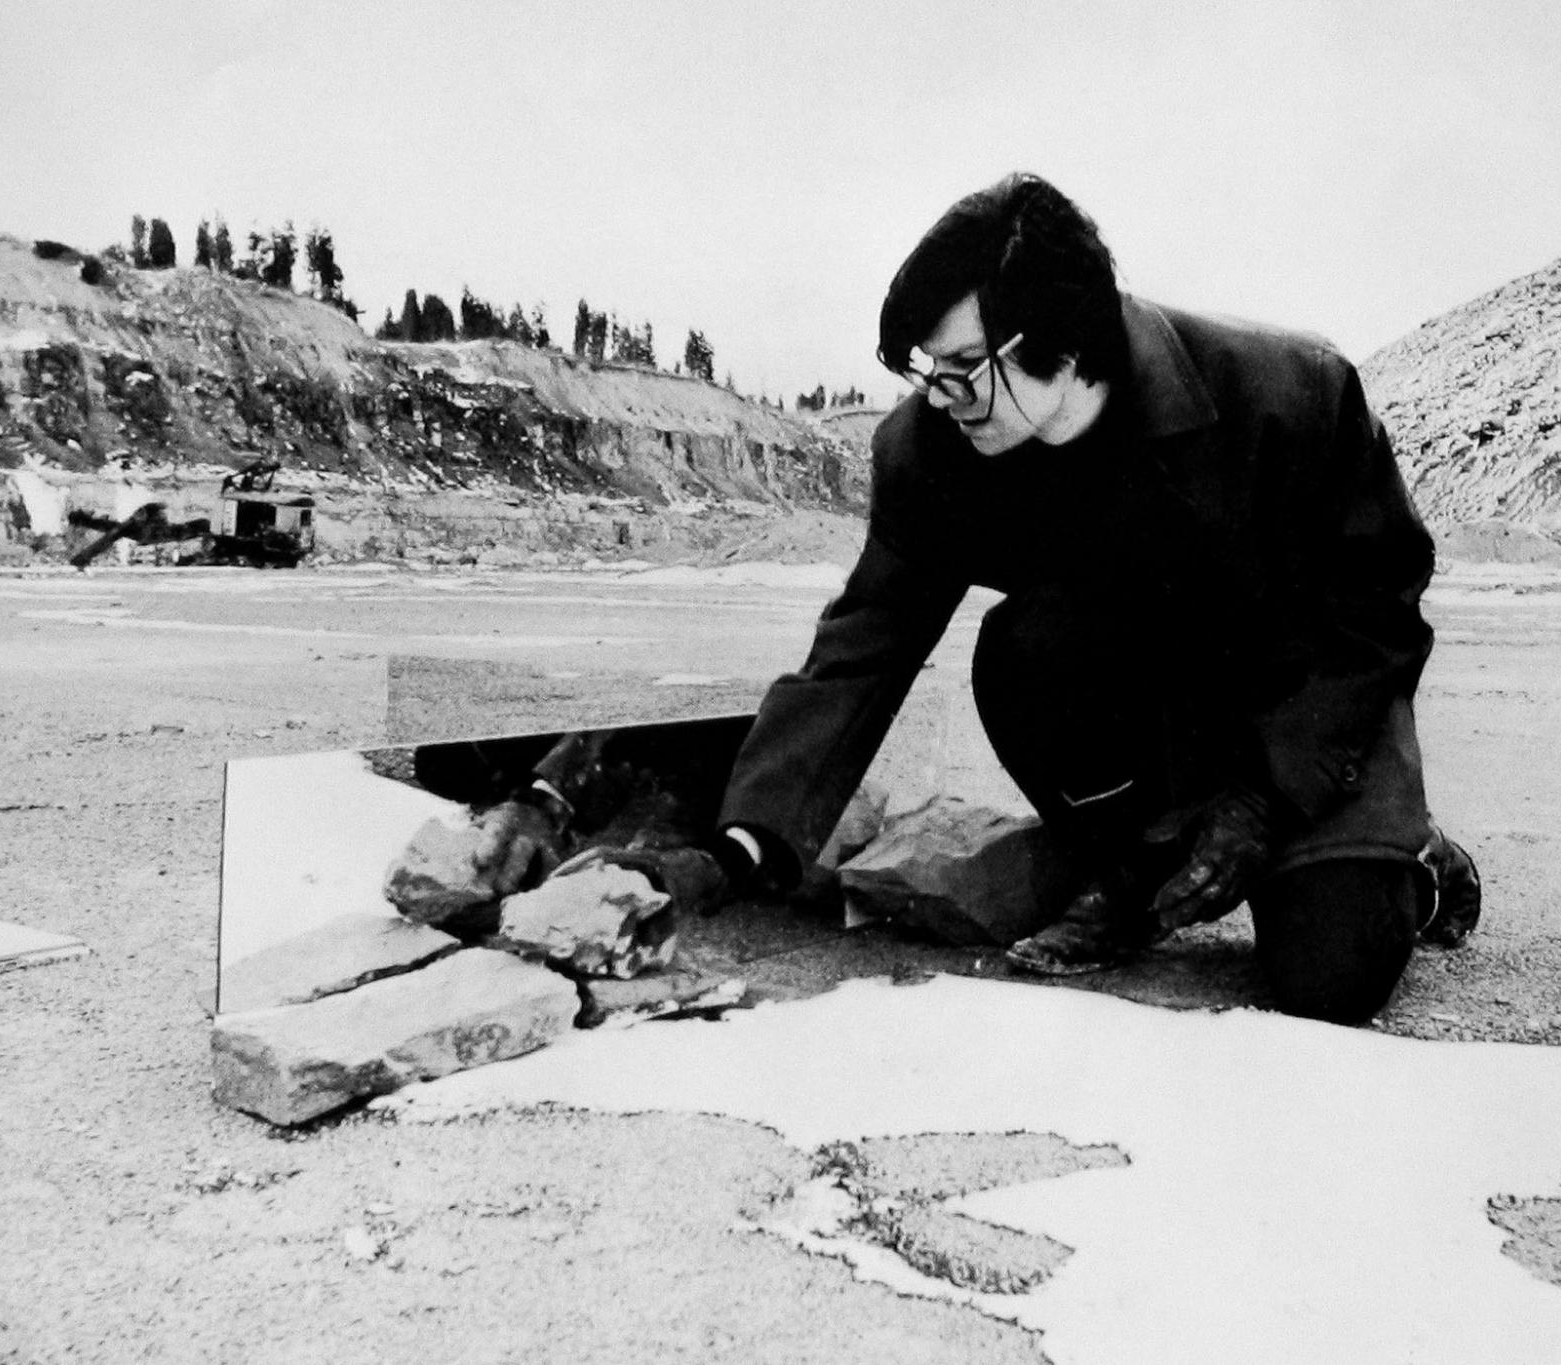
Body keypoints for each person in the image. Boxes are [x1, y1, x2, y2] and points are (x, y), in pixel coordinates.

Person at [482, 172, 1480, 1025]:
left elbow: (1378, 605)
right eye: (928, 371)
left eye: (964, 369)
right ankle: (1133, 854)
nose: (940, 397)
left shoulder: (1289, 395)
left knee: (1331, 977)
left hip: (1310, 704)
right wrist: (735, 851)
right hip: (1143, 706)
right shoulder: (931, 454)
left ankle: (1413, 862)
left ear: (1058, 341)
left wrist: (1268, 799)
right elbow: (862, 648)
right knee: (1023, 648)